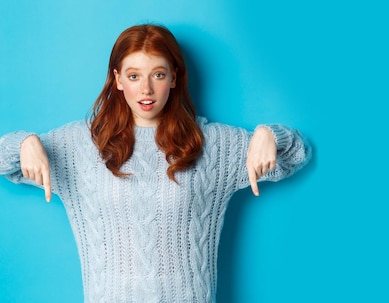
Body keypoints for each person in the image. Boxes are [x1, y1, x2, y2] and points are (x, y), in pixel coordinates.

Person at [0, 23, 311, 303]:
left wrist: (270, 135)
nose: (146, 89)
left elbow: (297, 154)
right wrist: (24, 142)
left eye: (158, 74)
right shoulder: (81, 144)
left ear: (174, 77)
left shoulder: (211, 143)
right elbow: (5, 160)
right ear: (118, 79)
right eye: (134, 76)